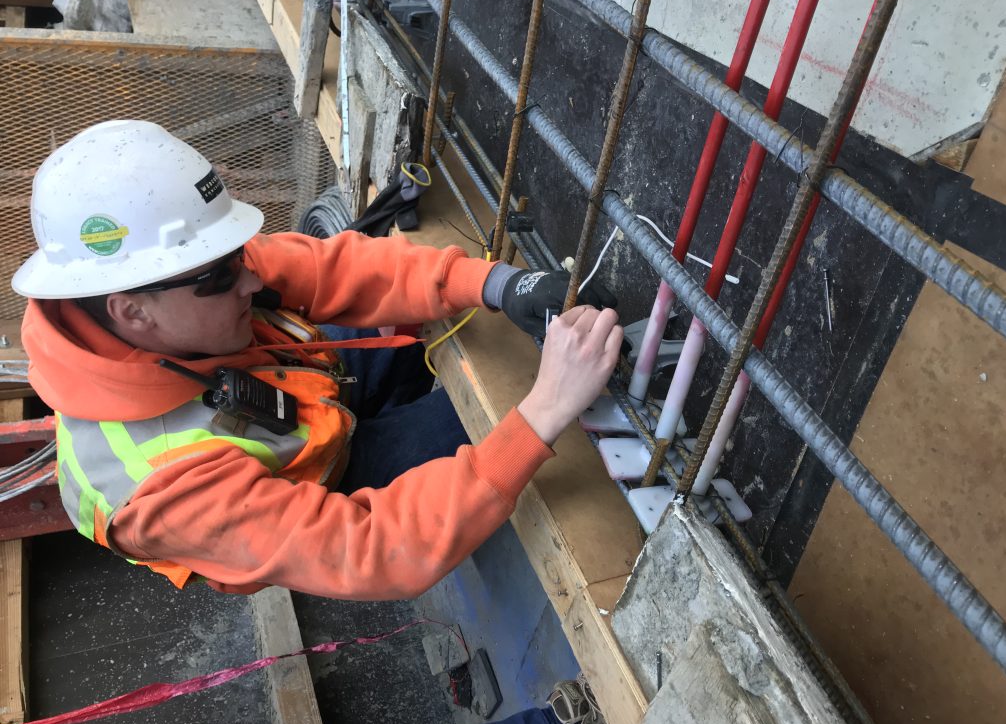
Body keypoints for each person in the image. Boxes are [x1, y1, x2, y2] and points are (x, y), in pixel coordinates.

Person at [12, 119, 622, 605]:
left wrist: (493, 284)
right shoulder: (166, 491)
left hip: (302, 392)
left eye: (237, 253)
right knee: (497, 428)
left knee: (425, 343)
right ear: (133, 312)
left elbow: (325, 268)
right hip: (322, 485)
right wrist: (543, 411)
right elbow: (377, 550)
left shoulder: (177, 286)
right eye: (225, 274)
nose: (251, 277)